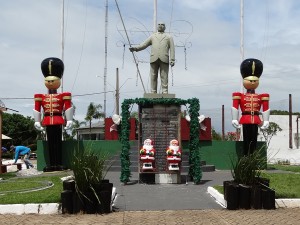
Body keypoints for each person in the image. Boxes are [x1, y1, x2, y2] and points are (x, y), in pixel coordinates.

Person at [33, 57, 74, 172]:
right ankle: (51, 164)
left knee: (58, 143)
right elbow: (37, 108)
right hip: (47, 120)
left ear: (58, 81)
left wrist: (69, 119)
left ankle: (59, 163)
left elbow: (68, 106)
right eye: (48, 81)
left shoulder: (63, 95)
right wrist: (37, 120)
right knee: (50, 143)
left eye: (53, 80)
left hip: (58, 119)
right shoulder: (40, 96)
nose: (50, 82)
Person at [231, 58, 270, 155]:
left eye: (254, 81)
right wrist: (234, 119)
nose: (252, 83)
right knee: (246, 140)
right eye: (250, 81)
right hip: (245, 118)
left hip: (256, 119)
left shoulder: (262, 96)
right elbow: (235, 106)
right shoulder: (239, 95)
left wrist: (266, 120)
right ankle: (246, 156)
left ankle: (252, 156)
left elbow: (266, 107)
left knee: (254, 140)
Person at [129, 22, 175, 94]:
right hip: (154, 58)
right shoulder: (152, 36)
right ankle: (153, 92)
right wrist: (135, 48)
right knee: (153, 76)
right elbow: (144, 44)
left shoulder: (169, 37)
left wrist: (172, 59)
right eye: (159, 24)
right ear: (157, 26)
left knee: (164, 76)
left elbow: (172, 48)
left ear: (165, 27)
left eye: (162, 25)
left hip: (164, 58)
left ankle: (165, 91)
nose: (160, 26)